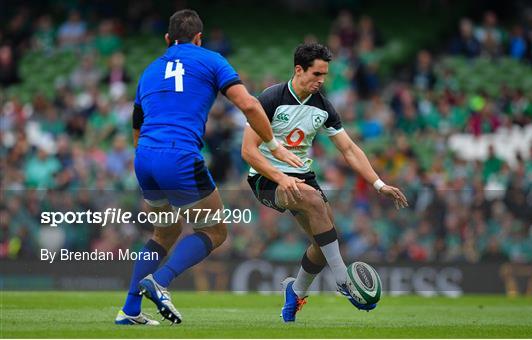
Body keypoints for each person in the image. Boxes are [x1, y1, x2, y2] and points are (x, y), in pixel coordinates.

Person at [115, 9, 301, 326]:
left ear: (167, 39)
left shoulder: (149, 71)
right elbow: (250, 104)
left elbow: (137, 123)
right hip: (179, 155)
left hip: (145, 157)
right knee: (214, 231)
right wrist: (273, 145)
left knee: (166, 231)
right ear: (199, 38)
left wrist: (150, 158)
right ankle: (159, 282)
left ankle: (130, 310)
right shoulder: (211, 60)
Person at [241, 43, 408, 322]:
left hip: (303, 177)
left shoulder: (324, 107)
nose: (321, 80)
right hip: (267, 177)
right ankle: (344, 281)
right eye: (317, 74)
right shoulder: (270, 99)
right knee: (315, 202)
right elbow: (248, 151)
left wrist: (379, 184)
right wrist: (280, 177)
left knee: (322, 242)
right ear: (298, 69)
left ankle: (295, 292)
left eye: (325, 75)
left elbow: (350, 150)